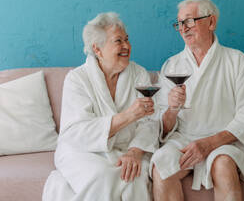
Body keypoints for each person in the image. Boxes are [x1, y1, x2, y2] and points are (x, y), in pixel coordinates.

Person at [151, 0, 244, 201]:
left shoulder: (237, 61)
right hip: (183, 139)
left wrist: (209, 143)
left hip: (224, 140)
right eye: (179, 24)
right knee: (161, 164)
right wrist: (172, 109)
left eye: (190, 21)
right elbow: (163, 127)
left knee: (223, 165)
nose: (183, 29)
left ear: (211, 22)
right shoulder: (172, 65)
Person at [42, 12, 158, 201]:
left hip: (126, 150)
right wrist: (128, 116)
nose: (126, 46)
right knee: (102, 176)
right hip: (81, 150)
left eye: (127, 40)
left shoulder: (139, 74)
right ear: (97, 49)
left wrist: (135, 152)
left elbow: (151, 122)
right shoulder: (77, 79)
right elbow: (77, 132)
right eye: (118, 41)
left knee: (134, 179)